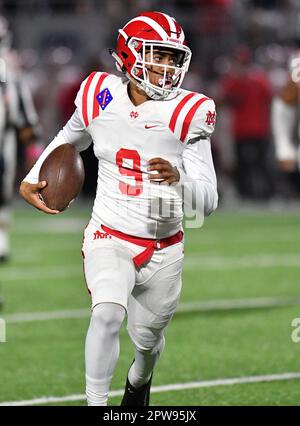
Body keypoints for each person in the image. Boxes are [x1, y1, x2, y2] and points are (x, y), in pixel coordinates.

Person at [19, 11, 218, 406]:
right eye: (157, 55)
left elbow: (208, 202)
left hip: (164, 246)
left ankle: (139, 382)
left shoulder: (190, 112)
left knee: (147, 343)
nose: (166, 67)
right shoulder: (98, 93)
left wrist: (180, 181)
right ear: (129, 54)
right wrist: (35, 174)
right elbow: (70, 138)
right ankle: (97, 405)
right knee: (106, 313)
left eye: (173, 59)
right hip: (109, 232)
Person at [0, 15, 39, 263]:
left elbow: (20, 109)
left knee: (2, 194)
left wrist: (33, 145)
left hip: (4, 143)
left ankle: (1, 243)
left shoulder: (9, 71)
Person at [219, 46, 275, 200]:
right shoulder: (237, 80)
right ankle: (247, 194)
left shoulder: (252, 79)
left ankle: (264, 195)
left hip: (255, 128)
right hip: (245, 129)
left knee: (259, 164)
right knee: (246, 165)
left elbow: (269, 100)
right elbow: (224, 100)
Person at [271, 64, 300, 197]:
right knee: (285, 156)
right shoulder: (281, 105)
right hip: (285, 121)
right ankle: (286, 191)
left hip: (291, 123)